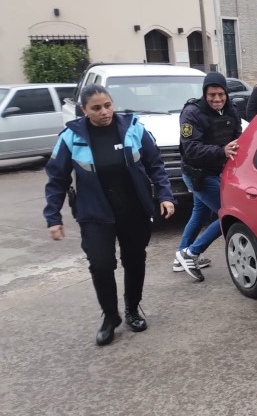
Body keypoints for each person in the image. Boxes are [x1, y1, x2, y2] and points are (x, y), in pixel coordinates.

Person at [43, 84, 175, 346]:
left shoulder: (133, 128)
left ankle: (132, 309)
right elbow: (56, 179)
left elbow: (155, 164)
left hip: (133, 211)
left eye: (107, 105)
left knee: (135, 261)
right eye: (96, 108)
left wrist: (166, 195)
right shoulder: (71, 136)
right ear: (84, 110)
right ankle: (110, 317)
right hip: (94, 214)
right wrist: (53, 218)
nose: (104, 112)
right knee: (101, 265)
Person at [174, 72, 242, 282]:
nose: (217, 99)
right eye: (212, 94)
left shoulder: (231, 110)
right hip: (198, 175)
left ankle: (180, 257)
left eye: (221, 94)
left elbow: (238, 138)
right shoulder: (191, 113)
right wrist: (221, 151)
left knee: (200, 213)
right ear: (205, 94)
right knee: (228, 213)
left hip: (217, 172)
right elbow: (191, 148)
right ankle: (192, 253)